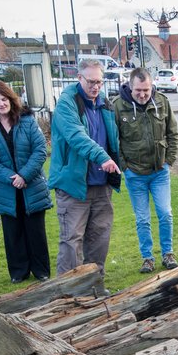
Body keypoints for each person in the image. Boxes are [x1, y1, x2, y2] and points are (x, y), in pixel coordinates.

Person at [49, 58, 123, 275]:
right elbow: (76, 136)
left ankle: (95, 289)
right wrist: (103, 157)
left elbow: (115, 140)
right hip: (74, 187)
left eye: (99, 82)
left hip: (101, 186)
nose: (96, 87)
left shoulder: (105, 104)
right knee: (71, 242)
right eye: (91, 81)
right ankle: (66, 295)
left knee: (99, 240)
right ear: (79, 77)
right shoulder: (66, 103)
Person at [0, 80, 52, 283]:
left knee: (36, 231)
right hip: (6, 188)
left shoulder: (27, 121)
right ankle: (18, 272)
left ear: (11, 99)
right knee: (13, 232)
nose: (1, 104)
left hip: (31, 185)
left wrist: (24, 176)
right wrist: (11, 178)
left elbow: (39, 150)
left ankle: (41, 270)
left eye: (4, 99)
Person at [113, 67, 178, 273]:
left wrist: (169, 161)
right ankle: (147, 258)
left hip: (159, 171)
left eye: (146, 90)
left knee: (165, 214)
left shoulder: (162, 102)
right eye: (138, 90)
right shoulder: (118, 106)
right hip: (135, 174)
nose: (142, 95)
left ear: (152, 87)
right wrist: (125, 167)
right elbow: (114, 141)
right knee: (142, 218)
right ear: (130, 87)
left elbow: (173, 133)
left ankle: (168, 253)